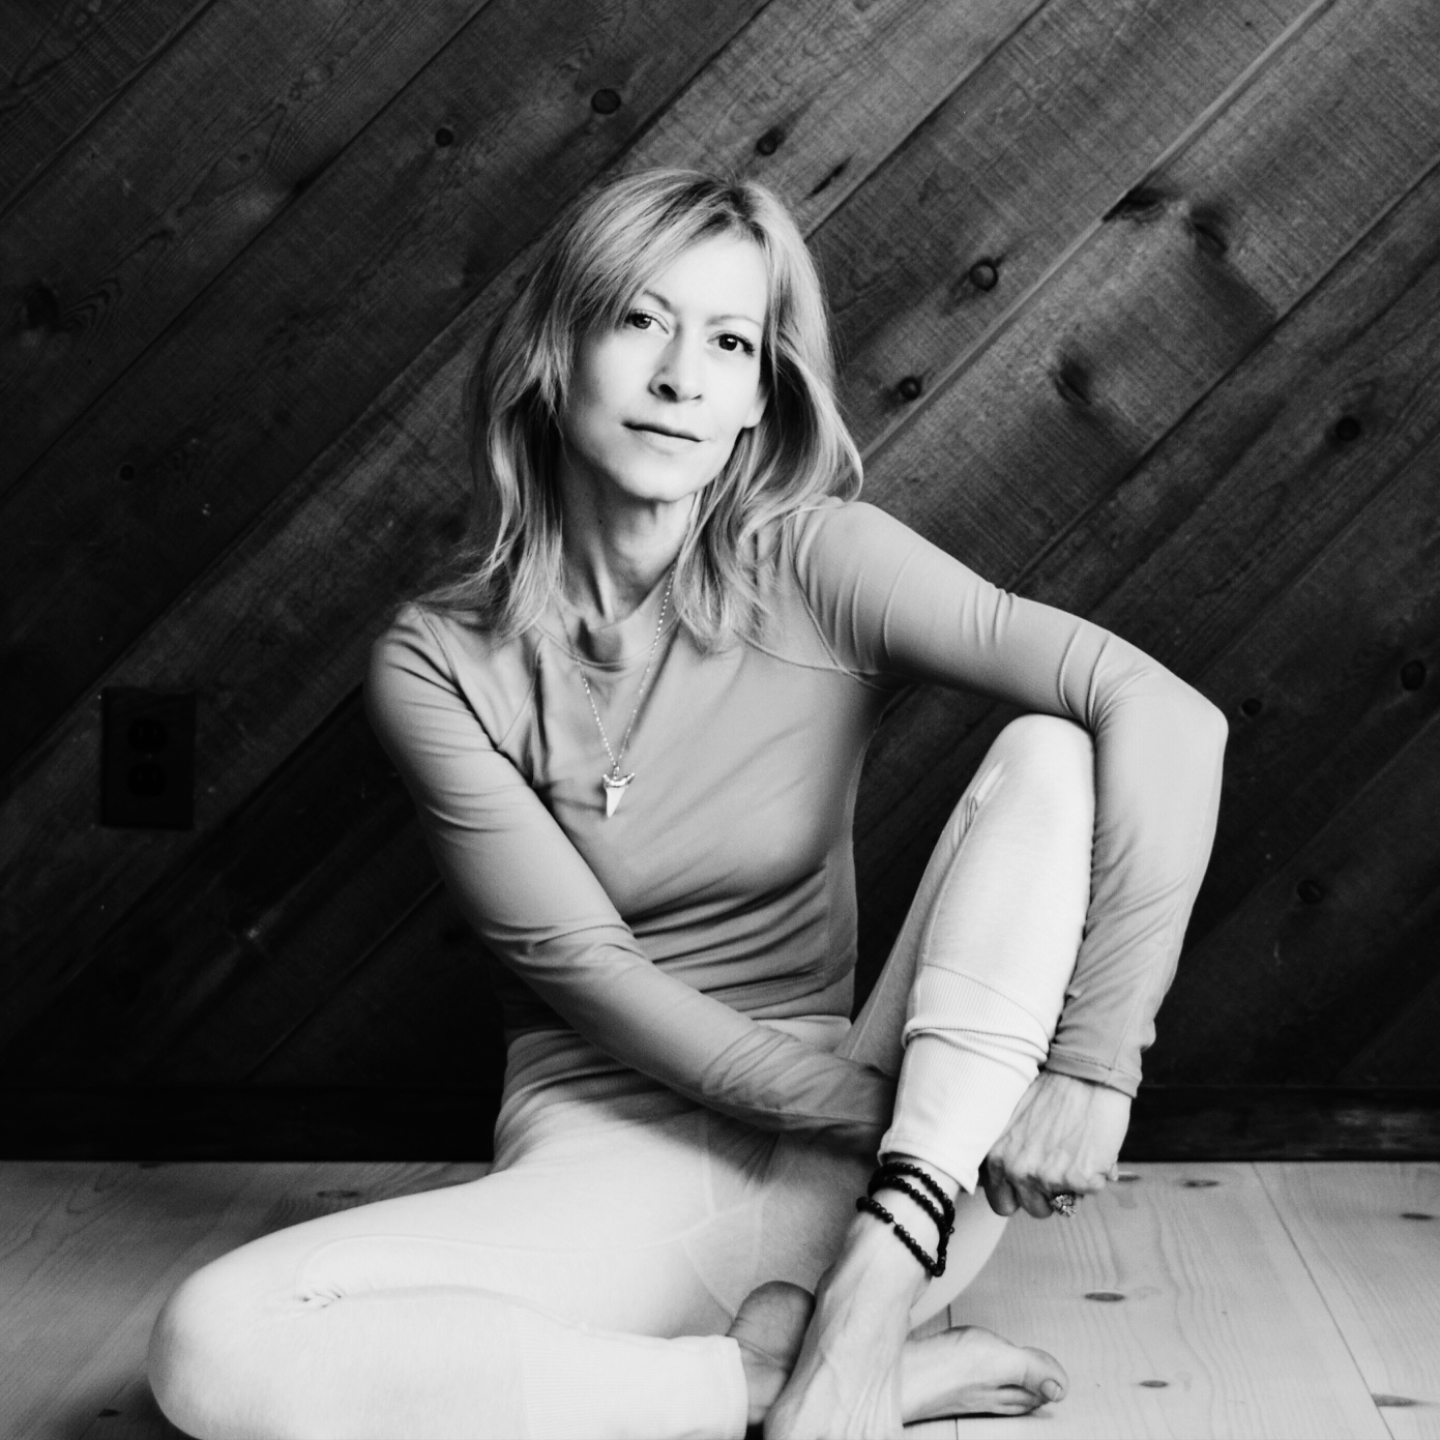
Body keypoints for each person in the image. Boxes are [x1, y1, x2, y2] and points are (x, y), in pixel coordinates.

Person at [147, 168, 1227, 1439]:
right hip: (624, 1167)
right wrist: (919, 1117)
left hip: (893, 1184)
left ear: (763, 391)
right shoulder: (437, 659)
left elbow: (1170, 715)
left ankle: (868, 1308)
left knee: (1053, 750)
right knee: (209, 1343)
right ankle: (779, 1385)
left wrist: (1089, 1073)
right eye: (638, 321)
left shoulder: (819, 561)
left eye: (728, 342)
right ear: (553, 355)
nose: (680, 379)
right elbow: (597, 976)